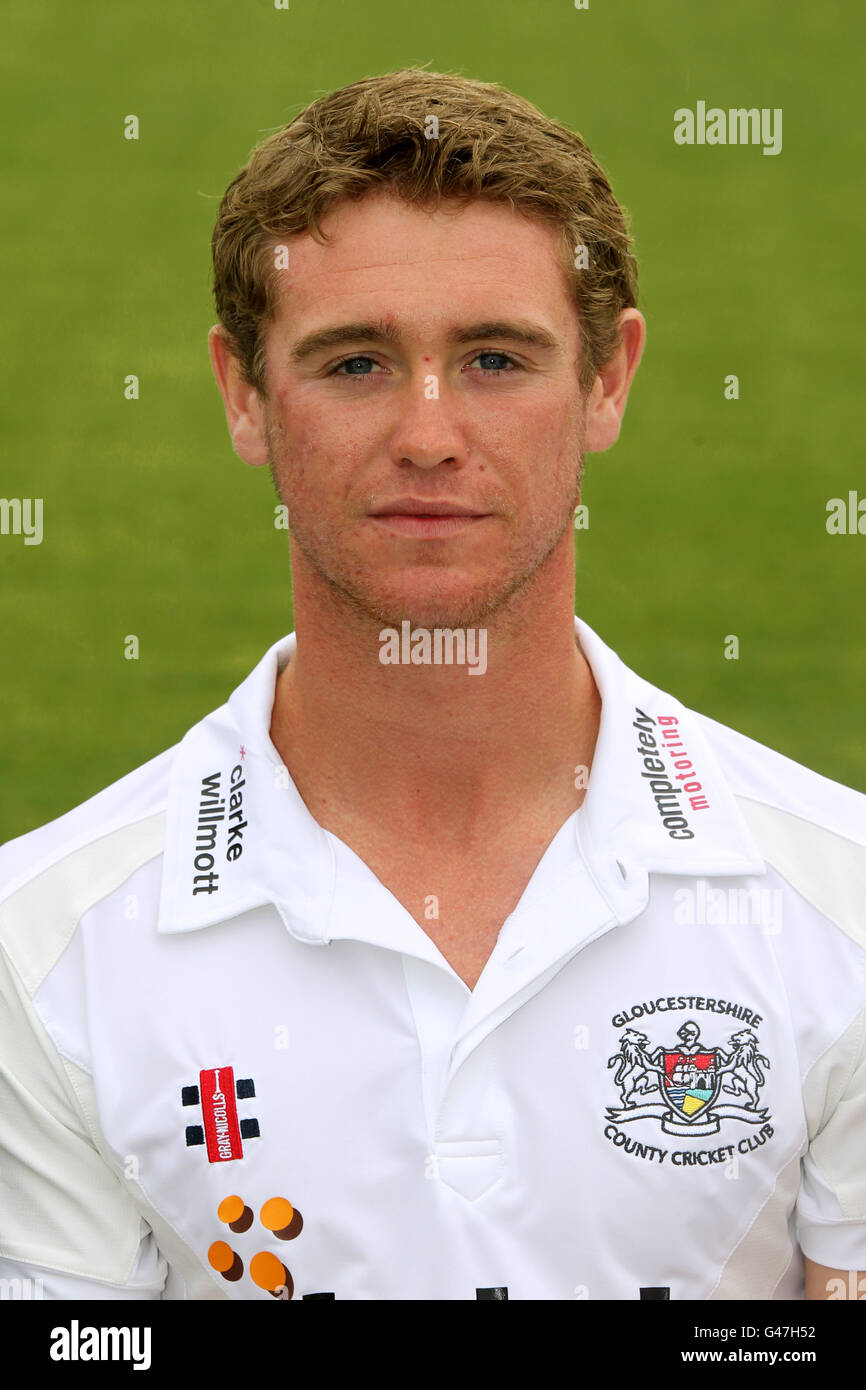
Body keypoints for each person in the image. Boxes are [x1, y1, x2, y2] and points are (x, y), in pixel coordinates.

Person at [0, 67, 864, 1302]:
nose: (427, 433)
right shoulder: (39, 954)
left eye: (495, 359)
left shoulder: (840, 906)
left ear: (606, 379)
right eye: (353, 363)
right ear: (243, 393)